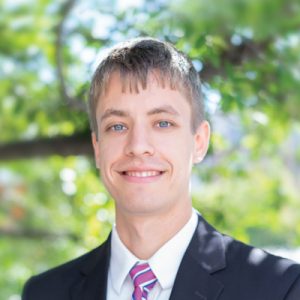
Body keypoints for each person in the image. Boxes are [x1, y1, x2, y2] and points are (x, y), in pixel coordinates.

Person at [22, 37, 300, 300]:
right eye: (117, 126)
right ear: (97, 148)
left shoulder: (278, 288)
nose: (138, 145)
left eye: (162, 123)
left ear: (199, 142)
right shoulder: (44, 292)